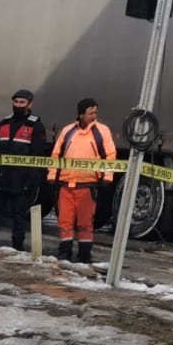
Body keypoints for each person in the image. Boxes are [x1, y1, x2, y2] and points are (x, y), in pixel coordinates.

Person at [47, 97, 118, 265]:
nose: (94, 115)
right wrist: (51, 177)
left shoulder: (102, 131)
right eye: (90, 113)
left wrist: (107, 178)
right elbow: (56, 155)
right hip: (65, 184)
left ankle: (84, 255)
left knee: (85, 223)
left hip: (88, 185)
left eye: (96, 112)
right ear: (80, 114)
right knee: (65, 221)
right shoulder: (67, 131)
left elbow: (110, 155)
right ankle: (65, 252)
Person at [0, 90, 50, 249]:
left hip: (21, 180)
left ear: (30, 104)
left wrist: (31, 181)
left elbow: (37, 155)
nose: (18, 105)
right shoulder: (3, 124)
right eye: (16, 102)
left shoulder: (35, 126)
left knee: (19, 216)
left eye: (22, 103)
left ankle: (17, 247)